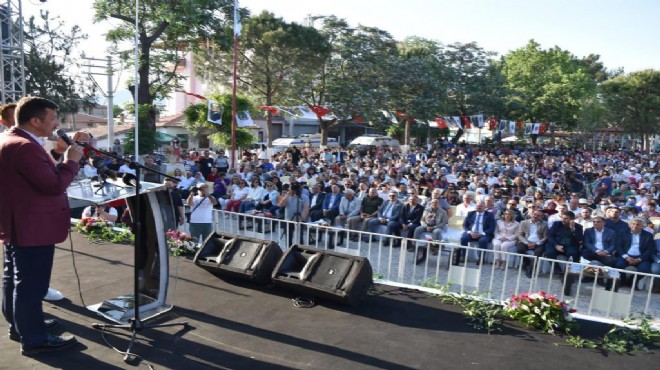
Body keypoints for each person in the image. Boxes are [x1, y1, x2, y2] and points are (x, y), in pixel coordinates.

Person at [1, 96, 83, 355]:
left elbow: (34, 175)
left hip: (18, 223)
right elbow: (53, 186)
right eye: (52, 119)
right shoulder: (25, 146)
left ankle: (21, 325)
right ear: (35, 121)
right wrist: (71, 161)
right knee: (30, 285)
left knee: (14, 280)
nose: (56, 124)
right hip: (31, 226)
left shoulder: (11, 140)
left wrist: (58, 154)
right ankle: (35, 338)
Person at [457, 201, 496, 265]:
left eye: (480, 206)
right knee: (463, 238)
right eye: (477, 206)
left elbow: (491, 227)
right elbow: (465, 225)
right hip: (471, 233)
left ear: (484, 207)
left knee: (483, 241)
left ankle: (481, 259)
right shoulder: (471, 213)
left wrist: (481, 234)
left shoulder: (489, 215)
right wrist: (469, 232)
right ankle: (463, 256)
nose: (479, 207)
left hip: (483, 233)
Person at [412, 198, 448, 264]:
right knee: (417, 229)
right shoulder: (426, 210)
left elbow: (444, 222)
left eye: (436, 203)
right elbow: (422, 220)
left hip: (436, 226)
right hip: (426, 225)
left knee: (436, 232)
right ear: (431, 204)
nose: (434, 204)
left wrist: (434, 227)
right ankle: (415, 246)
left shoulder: (443, 212)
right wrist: (426, 226)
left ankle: (434, 248)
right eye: (433, 203)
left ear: (438, 204)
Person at [515, 209, 549, 278]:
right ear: (532, 214)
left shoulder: (545, 224)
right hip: (526, 241)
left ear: (541, 217)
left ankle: (531, 270)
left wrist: (537, 243)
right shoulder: (524, 222)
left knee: (538, 253)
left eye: (538, 215)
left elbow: (545, 236)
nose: (535, 216)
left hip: (538, 242)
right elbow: (519, 234)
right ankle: (527, 263)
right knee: (519, 249)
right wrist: (526, 242)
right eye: (534, 214)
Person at [277, 182, 309, 247]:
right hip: (288, 219)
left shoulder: (304, 197)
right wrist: (286, 196)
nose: (291, 190)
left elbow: (306, 209)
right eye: (290, 188)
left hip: (299, 220)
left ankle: (300, 249)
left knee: (300, 237)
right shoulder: (286, 196)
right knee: (288, 237)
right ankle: (289, 249)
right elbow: (280, 205)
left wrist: (303, 218)